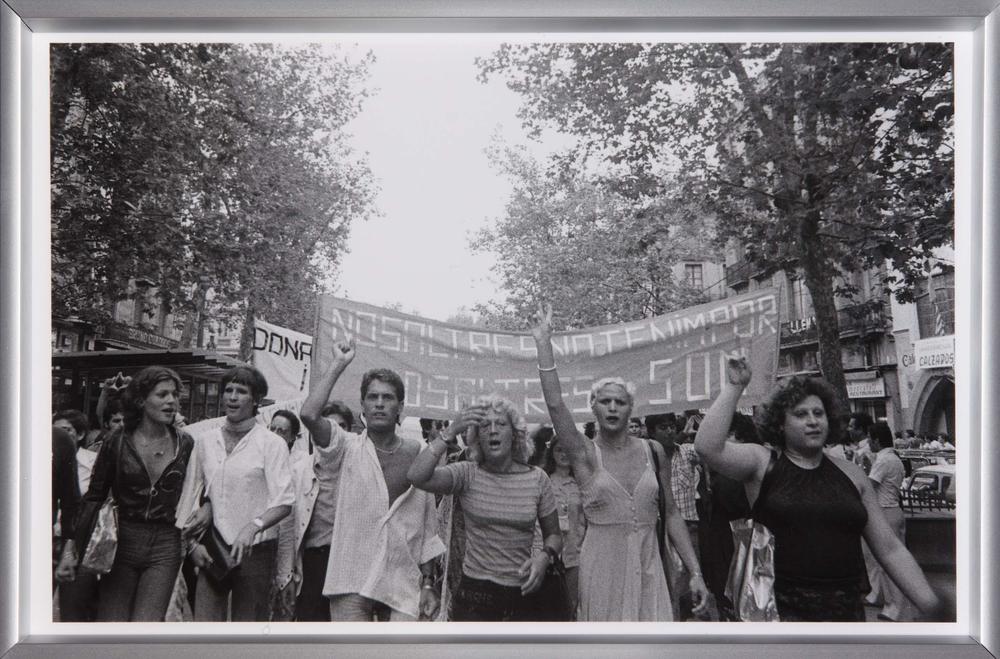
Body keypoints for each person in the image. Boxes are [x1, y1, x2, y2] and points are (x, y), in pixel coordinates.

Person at [694, 357, 942, 621]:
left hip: (846, 613)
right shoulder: (762, 463)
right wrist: (735, 387)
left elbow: (890, 548)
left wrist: (933, 606)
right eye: (800, 414)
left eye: (818, 413)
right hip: (781, 614)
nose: (813, 421)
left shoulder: (853, 474)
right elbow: (708, 447)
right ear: (780, 423)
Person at [531, 303, 708, 622]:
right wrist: (544, 345)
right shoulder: (585, 454)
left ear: (631, 409)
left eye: (620, 402)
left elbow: (671, 515)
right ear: (593, 408)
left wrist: (695, 571)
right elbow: (556, 406)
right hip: (602, 565)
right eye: (605, 401)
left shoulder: (653, 451)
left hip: (650, 562)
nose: (612, 408)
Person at [299, 337, 444, 622]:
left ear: (400, 407)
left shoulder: (419, 454)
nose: (379, 404)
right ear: (362, 407)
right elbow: (308, 414)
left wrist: (429, 583)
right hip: (351, 577)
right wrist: (338, 364)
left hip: (403, 579)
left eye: (387, 397)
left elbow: (428, 528)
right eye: (372, 397)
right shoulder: (346, 447)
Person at [55, 366, 196, 621]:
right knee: (113, 622)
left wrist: (205, 509)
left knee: (146, 625)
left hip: (165, 541)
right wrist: (72, 546)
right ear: (142, 400)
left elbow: (200, 487)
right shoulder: (117, 441)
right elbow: (94, 497)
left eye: (174, 395)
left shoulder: (185, 443)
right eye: (162, 394)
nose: (171, 401)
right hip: (122, 539)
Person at [407, 395, 562, 621]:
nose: (492, 430)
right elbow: (416, 476)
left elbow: (555, 536)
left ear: (515, 433)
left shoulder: (538, 479)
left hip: (524, 593)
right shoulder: (467, 473)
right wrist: (450, 432)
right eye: (484, 426)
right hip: (473, 598)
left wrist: (544, 557)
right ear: (476, 436)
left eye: (500, 424)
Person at [185, 365, 294, 622]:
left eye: (241, 391)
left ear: (255, 399)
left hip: (255, 551)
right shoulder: (205, 441)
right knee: (205, 630)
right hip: (212, 548)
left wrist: (254, 526)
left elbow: (285, 501)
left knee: (248, 631)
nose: (233, 397)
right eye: (228, 390)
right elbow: (188, 497)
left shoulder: (272, 443)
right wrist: (192, 546)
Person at [645, 412, 704, 620]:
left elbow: (710, 452)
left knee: (691, 581)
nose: (669, 431)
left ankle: (689, 625)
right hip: (657, 530)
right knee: (666, 581)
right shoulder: (645, 460)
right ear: (651, 432)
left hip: (689, 527)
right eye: (663, 428)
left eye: (671, 426)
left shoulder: (688, 452)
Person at [267, 409, 315, 621]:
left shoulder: (301, 466)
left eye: (282, 431)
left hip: (289, 547)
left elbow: (290, 521)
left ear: (293, 438)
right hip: (260, 547)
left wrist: (286, 571)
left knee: (284, 611)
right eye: (272, 429)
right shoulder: (260, 457)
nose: (275, 434)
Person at [861, 421, 912, 621]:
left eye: (870, 439)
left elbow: (868, 486)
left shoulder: (883, 461)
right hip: (894, 511)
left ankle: (894, 607)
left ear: (875, 440)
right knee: (895, 560)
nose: (869, 444)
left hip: (884, 513)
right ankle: (893, 603)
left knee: (887, 563)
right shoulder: (894, 458)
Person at [541, 433, 585, 618]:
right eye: (559, 450)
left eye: (568, 450)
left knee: (572, 604)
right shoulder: (543, 480)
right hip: (549, 554)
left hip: (576, 552)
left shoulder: (583, 483)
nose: (564, 454)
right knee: (549, 605)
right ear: (552, 453)